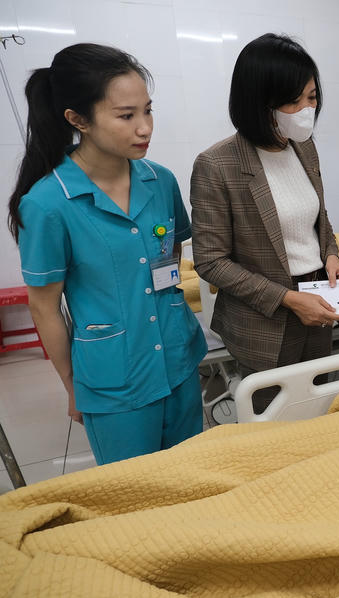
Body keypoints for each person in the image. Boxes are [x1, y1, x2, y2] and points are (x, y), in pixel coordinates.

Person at [7, 43, 207, 465]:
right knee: (135, 492)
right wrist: (72, 386)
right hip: (116, 381)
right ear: (77, 119)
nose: (144, 128)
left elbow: (170, 256)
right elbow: (44, 307)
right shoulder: (48, 204)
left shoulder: (160, 181)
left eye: (148, 111)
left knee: (193, 478)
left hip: (179, 358)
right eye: (126, 115)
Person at [191, 33, 339, 405]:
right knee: (273, 416)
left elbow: (319, 217)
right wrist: (289, 299)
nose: (307, 110)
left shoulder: (304, 148)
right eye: (293, 101)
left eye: (312, 97)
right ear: (258, 102)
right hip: (264, 319)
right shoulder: (217, 164)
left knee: (318, 406)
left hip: (318, 300)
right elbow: (211, 261)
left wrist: (331, 254)